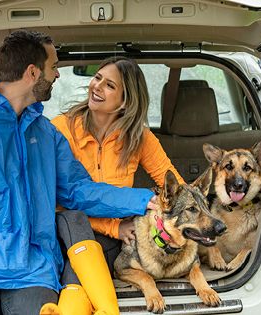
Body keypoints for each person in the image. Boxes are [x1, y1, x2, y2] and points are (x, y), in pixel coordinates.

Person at [0, 31, 157, 315]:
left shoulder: (45, 134)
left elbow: (78, 190)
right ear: (32, 72)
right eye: (53, 67)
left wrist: (142, 200)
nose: (56, 75)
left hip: (33, 271)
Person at [50, 56, 184, 270]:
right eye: (97, 77)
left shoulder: (140, 137)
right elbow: (57, 203)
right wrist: (115, 228)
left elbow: (178, 190)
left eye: (109, 85)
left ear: (125, 101)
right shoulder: (60, 129)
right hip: (64, 231)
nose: (97, 86)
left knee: (83, 267)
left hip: (112, 239)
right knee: (76, 256)